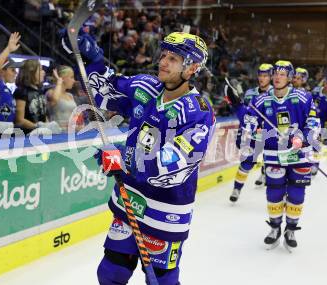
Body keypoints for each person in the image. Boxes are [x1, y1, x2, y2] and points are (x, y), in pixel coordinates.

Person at [63, 30, 214, 284]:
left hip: (166, 211)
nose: (163, 62)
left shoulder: (198, 113)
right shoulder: (145, 86)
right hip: (130, 198)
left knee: (163, 280)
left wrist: (125, 160)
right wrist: (90, 57)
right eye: (164, 55)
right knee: (111, 273)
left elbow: (174, 164)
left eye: (174, 59)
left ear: (191, 68)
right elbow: (103, 91)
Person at [232, 60, 320, 251]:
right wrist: (247, 138)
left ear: (290, 77)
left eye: (283, 74)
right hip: (274, 156)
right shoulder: (261, 100)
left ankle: (291, 229)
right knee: (274, 194)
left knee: (297, 194)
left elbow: (314, 122)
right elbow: (248, 123)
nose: (278, 77)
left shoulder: (304, 97)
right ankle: (274, 228)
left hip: (299, 155)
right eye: (276, 73)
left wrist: (303, 138)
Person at [229, 63, 273, 203]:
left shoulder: (275, 94)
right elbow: (245, 116)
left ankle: (265, 174)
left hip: (269, 134)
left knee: (271, 160)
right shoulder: (249, 93)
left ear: (271, 77)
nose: (262, 78)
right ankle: (237, 188)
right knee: (246, 162)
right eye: (260, 75)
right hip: (253, 136)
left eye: (265, 76)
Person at [14, 59, 61, 135]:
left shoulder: (40, 91)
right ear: (31, 72)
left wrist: (48, 126)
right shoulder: (21, 91)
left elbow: (43, 113)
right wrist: (36, 126)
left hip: (40, 135)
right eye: (40, 70)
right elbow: (19, 120)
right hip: (26, 136)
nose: (43, 72)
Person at [46, 65, 79, 132]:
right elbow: (55, 99)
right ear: (63, 78)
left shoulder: (70, 95)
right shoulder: (50, 93)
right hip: (57, 134)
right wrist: (59, 82)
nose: (74, 80)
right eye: (72, 77)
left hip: (72, 133)